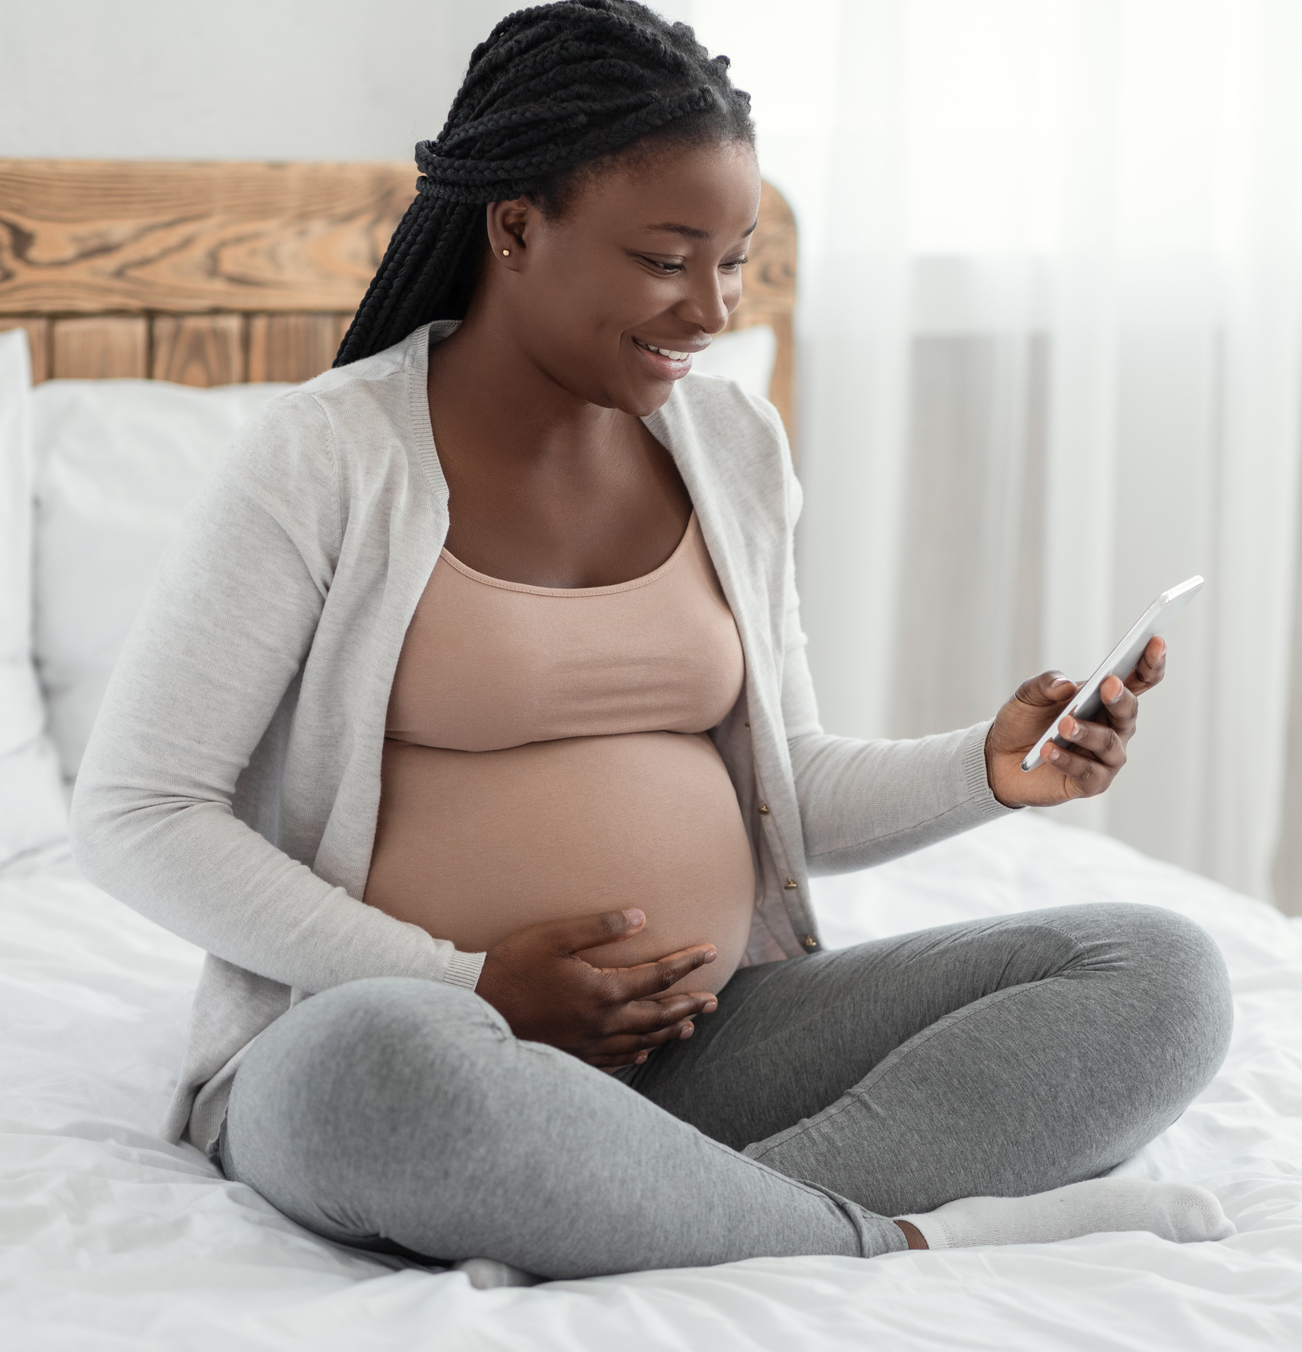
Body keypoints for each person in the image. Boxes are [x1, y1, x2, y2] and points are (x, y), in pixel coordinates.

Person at [70, 0, 1233, 1284]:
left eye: (734, 262)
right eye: (667, 258)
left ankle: (666, 1206)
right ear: (516, 226)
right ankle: (890, 1232)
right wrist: (466, 986)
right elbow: (139, 810)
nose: (710, 309)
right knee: (375, 1075)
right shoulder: (333, 453)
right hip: (418, 1041)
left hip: (714, 1042)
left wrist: (989, 769)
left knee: (1157, 970)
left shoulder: (732, 448)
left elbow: (786, 783)